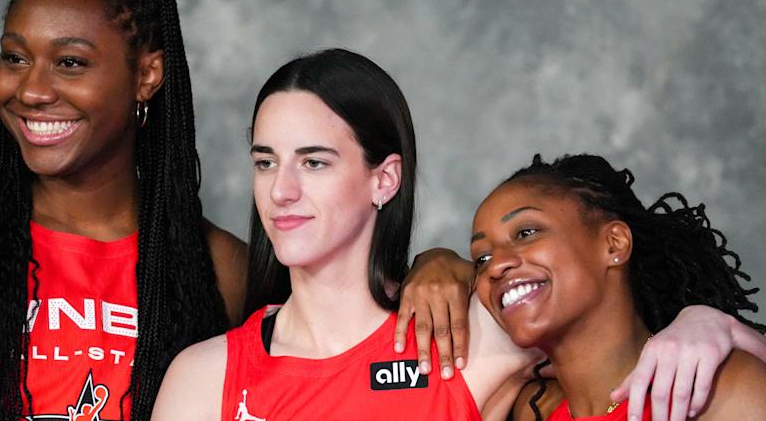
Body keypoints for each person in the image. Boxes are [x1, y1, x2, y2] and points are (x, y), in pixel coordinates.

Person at [0, 0, 493, 421]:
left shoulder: (218, 269)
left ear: (147, 75)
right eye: (15, 57)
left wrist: (439, 265)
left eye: (70, 63)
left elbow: (342, 348)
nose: (31, 89)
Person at [151, 50, 760, 421]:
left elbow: (602, 312)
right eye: (264, 162)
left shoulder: (472, 339)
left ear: (384, 179)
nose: (279, 191)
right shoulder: (204, 377)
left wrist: (704, 321)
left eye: (314, 162)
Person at [470, 154, 766, 421]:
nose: (495, 266)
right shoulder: (529, 410)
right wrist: (435, 261)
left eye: (526, 232)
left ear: (614, 243)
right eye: (481, 258)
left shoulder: (717, 392)